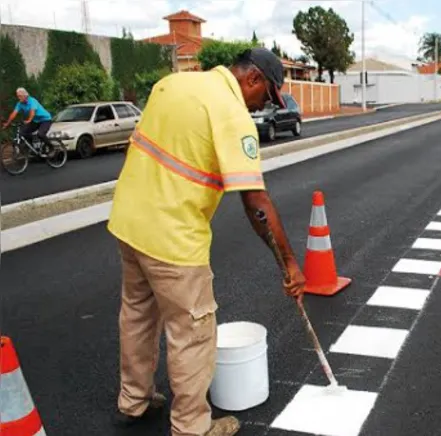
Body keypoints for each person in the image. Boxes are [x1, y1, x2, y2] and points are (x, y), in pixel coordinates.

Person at [107, 47, 306, 436]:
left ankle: (133, 401)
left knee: (137, 316)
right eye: (266, 96)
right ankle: (192, 426)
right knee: (193, 333)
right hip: (174, 239)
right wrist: (290, 265)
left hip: (129, 224)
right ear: (252, 79)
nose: (261, 106)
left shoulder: (172, 84)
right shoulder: (232, 116)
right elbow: (256, 203)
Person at [1, 88, 54, 155]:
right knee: (23, 133)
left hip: (45, 120)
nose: (18, 98)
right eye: (17, 96)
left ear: (25, 95)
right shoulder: (19, 104)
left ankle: (51, 147)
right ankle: (32, 148)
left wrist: (29, 120)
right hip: (35, 121)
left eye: (20, 96)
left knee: (41, 134)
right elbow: (14, 113)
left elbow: (32, 111)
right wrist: (7, 123)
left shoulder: (32, 101)